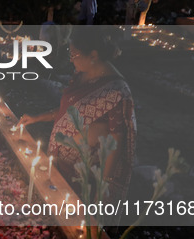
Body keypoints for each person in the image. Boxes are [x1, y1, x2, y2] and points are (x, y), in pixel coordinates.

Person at [17, 28, 136, 200]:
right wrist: (36, 118)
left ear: (93, 56)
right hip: (60, 163)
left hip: (85, 174)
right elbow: (69, 111)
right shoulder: (81, 74)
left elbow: (116, 140)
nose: (71, 60)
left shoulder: (116, 91)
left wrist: (103, 186)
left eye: (74, 55)